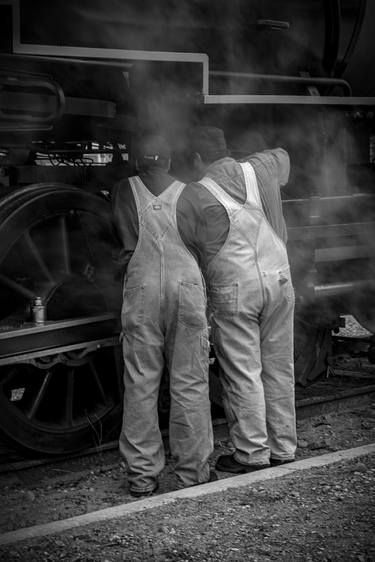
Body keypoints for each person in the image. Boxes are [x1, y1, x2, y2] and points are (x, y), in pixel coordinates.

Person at [177, 126, 297, 473]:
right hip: (279, 279)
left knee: (243, 371)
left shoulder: (193, 195)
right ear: (227, 150)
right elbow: (284, 157)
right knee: (278, 366)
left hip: (235, 289)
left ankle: (251, 454)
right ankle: (283, 447)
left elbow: (190, 247)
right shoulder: (261, 167)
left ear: (198, 159)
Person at [112, 133, 214, 497]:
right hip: (186, 286)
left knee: (140, 382)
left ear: (139, 162)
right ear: (169, 162)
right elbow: (205, 245)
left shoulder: (124, 190)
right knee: (189, 380)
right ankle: (193, 473)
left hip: (141, 290)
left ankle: (141, 477)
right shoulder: (191, 192)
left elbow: (120, 241)